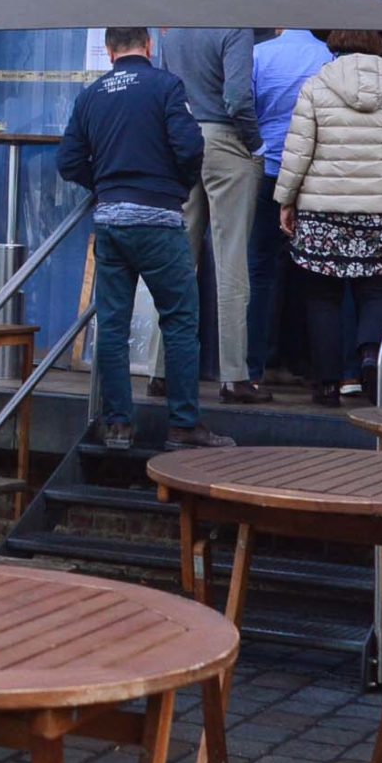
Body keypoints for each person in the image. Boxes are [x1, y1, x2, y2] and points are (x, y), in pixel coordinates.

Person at [58, 27, 233, 453]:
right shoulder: (166, 86)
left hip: (111, 222)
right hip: (159, 221)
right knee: (180, 320)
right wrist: (176, 186)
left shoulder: (90, 96)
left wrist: (105, 184)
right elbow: (190, 147)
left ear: (109, 50)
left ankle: (118, 425)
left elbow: (68, 161)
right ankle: (183, 424)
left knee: (112, 325)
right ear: (149, 46)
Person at [274, 29, 382, 405]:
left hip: (324, 208)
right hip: (381, 208)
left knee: (323, 296)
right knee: (377, 290)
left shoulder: (316, 85)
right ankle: (370, 359)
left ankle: (326, 384)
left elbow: (298, 152)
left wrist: (286, 200)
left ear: (335, 42)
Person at [146, 28, 265, 404]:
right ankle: (234, 376)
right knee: (231, 261)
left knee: (177, 262)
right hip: (226, 142)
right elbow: (238, 98)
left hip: (183, 142)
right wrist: (256, 144)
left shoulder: (174, 32)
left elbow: (168, 94)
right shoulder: (235, 28)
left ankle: (161, 370)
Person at [248, 28, 333, 392]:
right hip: (313, 176)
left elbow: (243, 107)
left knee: (259, 268)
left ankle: (256, 365)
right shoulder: (327, 58)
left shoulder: (258, 55)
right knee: (313, 270)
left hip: (266, 169)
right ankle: (305, 362)